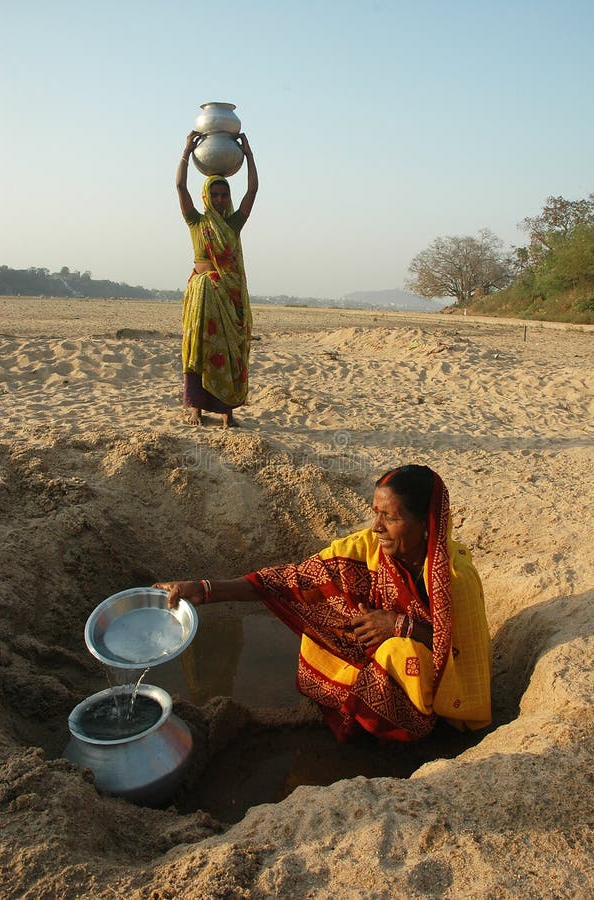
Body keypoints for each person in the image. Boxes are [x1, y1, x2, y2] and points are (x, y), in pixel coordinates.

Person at [154, 465, 492, 742]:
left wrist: (398, 626)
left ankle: (406, 731)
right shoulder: (368, 548)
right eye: (375, 514)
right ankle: (361, 709)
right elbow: (292, 580)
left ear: (425, 525)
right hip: (375, 660)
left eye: (390, 518)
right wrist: (205, 590)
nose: (377, 528)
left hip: (436, 688)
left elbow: (462, 654)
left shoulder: (455, 578)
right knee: (322, 620)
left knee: (401, 654)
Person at [176, 130, 258, 427]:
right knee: (199, 349)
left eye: (224, 195)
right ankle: (196, 408)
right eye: (215, 194)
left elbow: (252, 193)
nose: (221, 199)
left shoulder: (234, 224)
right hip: (202, 293)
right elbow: (179, 185)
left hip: (228, 295)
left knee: (227, 350)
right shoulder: (196, 221)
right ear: (206, 196)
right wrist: (186, 150)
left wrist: (248, 154)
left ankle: (227, 412)